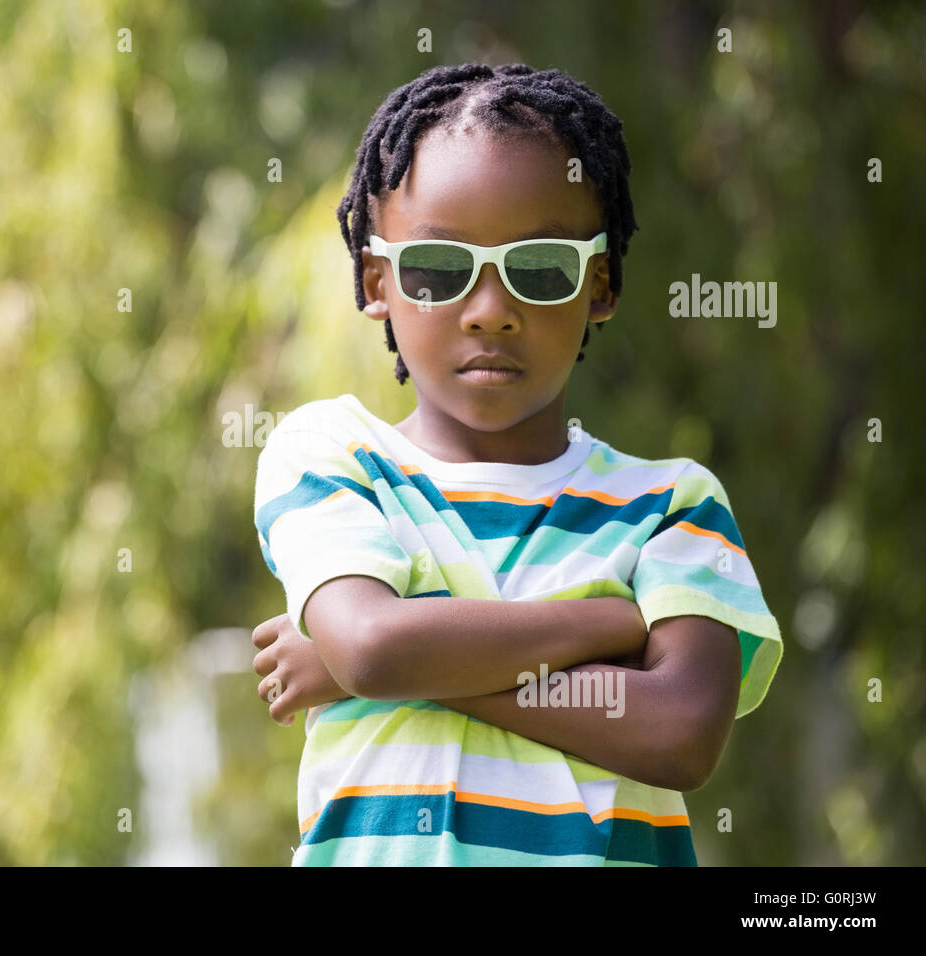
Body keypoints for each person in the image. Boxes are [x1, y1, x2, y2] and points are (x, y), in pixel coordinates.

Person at [251, 62, 783, 866]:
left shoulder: (672, 504)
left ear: (599, 285)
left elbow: (679, 733)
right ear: (376, 283)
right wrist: (613, 623)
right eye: (439, 269)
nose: (491, 311)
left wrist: (396, 660)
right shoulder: (334, 457)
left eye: (539, 270)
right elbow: (371, 646)